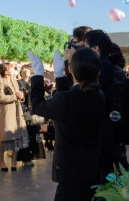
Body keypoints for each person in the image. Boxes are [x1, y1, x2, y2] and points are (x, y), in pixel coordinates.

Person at [28, 48, 105, 201]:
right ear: (98, 73)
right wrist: (60, 77)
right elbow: (69, 100)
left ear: (70, 69)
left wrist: (37, 75)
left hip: (70, 173)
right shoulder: (99, 95)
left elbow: (37, 106)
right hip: (92, 168)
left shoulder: (66, 100)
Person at [82, 29, 117, 175]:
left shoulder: (105, 65)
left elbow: (90, 88)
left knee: (102, 168)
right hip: (98, 124)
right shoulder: (100, 64)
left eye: (85, 47)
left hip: (103, 126)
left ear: (95, 48)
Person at [0, 63, 28, 171]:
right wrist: (15, 96)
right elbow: (0, 98)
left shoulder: (15, 81)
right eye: (11, 68)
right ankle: (1, 160)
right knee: (5, 137)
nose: (13, 70)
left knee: (18, 137)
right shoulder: (0, 81)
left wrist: (22, 97)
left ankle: (14, 161)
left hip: (17, 112)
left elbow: (20, 94)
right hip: (7, 113)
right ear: (5, 71)